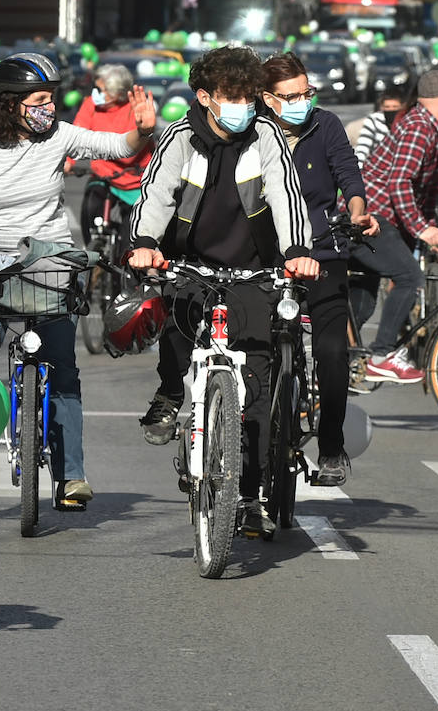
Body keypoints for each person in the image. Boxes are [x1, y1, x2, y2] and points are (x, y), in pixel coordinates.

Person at [0, 52, 156, 513]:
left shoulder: (60, 135)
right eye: (39, 100)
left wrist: (141, 130)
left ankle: (70, 477)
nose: (49, 108)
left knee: (63, 370)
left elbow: (115, 147)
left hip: (51, 267)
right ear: (9, 103)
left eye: (51, 99)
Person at [127, 45, 317, 537]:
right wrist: (144, 244)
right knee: (177, 330)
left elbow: (285, 193)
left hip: (253, 271)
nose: (243, 107)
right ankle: (171, 393)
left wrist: (296, 250)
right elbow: (157, 194)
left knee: (255, 386)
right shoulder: (180, 137)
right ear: (205, 97)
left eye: (249, 98)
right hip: (190, 264)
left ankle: (250, 496)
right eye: (232, 97)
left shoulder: (266, 135)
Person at [260, 51, 374, 487]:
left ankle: (331, 448)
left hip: (325, 253)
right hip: (268, 259)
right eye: (291, 96)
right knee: (255, 350)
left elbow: (350, 176)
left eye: (306, 93)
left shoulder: (325, 124)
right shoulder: (254, 130)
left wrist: (357, 211)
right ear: (267, 98)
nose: (301, 102)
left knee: (331, 351)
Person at [352, 70, 438, 385]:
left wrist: (429, 230)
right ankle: (381, 356)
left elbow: (422, 191)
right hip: (372, 218)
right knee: (410, 277)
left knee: (363, 299)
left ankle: (343, 359)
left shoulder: (429, 130)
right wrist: (421, 229)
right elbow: (399, 181)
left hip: (382, 217)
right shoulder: (419, 129)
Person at [70, 63, 154, 249]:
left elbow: (128, 154)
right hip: (104, 176)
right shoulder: (90, 104)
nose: (95, 93)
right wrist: (68, 161)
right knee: (90, 206)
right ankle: (92, 252)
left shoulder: (134, 108)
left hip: (135, 180)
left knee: (129, 236)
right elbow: (75, 135)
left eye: (101, 90)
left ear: (117, 94)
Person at [347, 87, 405, 164]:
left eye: (395, 107)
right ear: (382, 107)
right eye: (387, 107)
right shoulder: (374, 120)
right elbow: (363, 147)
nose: (391, 110)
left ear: (402, 107)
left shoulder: (408, 121)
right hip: (378, 164)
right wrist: (358, 167)